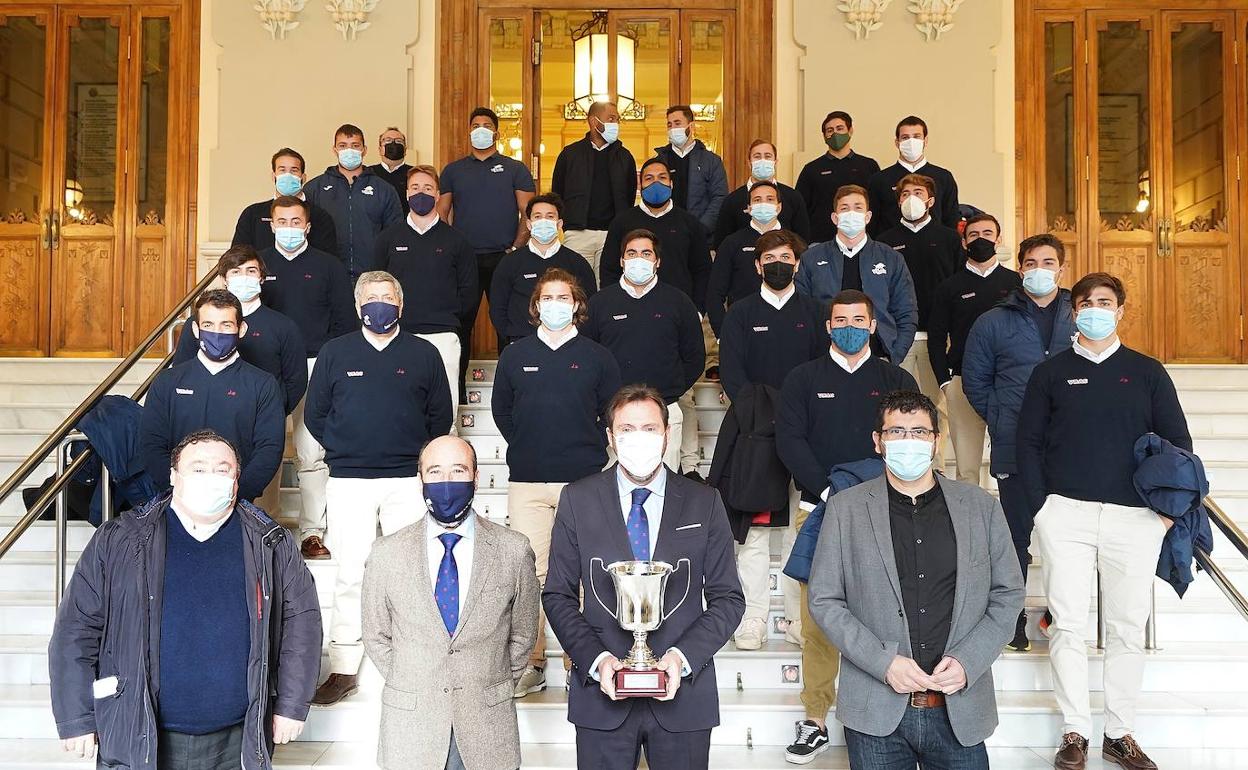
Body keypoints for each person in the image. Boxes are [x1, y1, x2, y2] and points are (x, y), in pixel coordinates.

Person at [49, 429, 321, 770]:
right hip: (140, 732)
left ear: (236, 480)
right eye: (198, 468)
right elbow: (76, 629)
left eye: (222, 469)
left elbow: (302, 624)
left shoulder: (270, 542)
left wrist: (292, 704)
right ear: (174, 476)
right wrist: (76, 716)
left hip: (238, 738)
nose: (211, 477)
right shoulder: (120, 539)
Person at [1017, 272, 1191, 770]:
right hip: (1066, 515)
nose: (1095, 309)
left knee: (1127, 627)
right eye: (1086, 302)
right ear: (1074, 312)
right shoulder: (1050, 373)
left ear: (1121, 310)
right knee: (1068, 626)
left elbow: (1179, 444)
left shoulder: (1147, 372)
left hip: (1135, 518)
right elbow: (1027, 443)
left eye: (1105, 302)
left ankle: (1119, 733)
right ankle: (1074, 730)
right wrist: (1042, 508)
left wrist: (1164, 515)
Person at [807, 391, 1024, 770]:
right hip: (875, 713)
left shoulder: (981, 507)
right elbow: (824, 600)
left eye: (919, 432)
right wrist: (883, 662)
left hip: (960, 709)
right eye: (896, 432)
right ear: (878, 441)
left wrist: (969, 661)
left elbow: (1008, 594)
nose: (908, 441)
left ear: (936, 441)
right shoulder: (845, 509)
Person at [543, 384, 746, 770]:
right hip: (601, 698)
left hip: (684, 697)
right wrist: (597, 660)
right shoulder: (577, 499)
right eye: (627, 429)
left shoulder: (705, 501)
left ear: (667, 434)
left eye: (650, 428)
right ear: (610, 437)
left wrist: (681, 659)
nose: (639, 438)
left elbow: (729, 599)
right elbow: (557, 595)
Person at [775, 289, 918, 763]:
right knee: (818, 618)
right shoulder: (803, 378)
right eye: (841, 320)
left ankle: (890, 713)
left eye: (859, 320)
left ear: (873, 326)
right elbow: (790, 439)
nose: (850, 327)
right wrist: (829, 490)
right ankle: (815, 717)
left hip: (888, 509)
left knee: (888, 613)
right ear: (828, 326)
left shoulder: (895, 378)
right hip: (820, 508)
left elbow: (909, 438)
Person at [305, 270, 454, 705]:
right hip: (349, 481)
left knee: (414, 574)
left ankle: (417, 660)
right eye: (371, 297)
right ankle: (344, 667)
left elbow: (440, 416)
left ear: (401, 305)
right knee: (351, 574)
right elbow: (316, 415)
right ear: (358, 306)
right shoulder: (335, 352)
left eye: (388, 297)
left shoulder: (424, 353)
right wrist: (346, 448)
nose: (380, 304)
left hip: (407, 480)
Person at [362, 435, 541, 770]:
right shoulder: (386, 553)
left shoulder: (513, 550)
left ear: (476, 477)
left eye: (458, 470)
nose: (446, 482)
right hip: (411, 728)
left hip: (487, 726)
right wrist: (415, 679)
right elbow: (376, 635)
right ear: (420, 480)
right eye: (435, 471)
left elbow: (523, 633)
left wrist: (488, 681)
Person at [492, 269, 621, 697]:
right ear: (535, 306)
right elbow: (502, 412)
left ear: (577, 304)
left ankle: (579, 662)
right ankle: (531, 662)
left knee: (583, 574)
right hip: (528, 481)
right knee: (530, 574)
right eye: (547, 297)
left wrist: (587, 446)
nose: (555, 304)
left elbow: (611, 413)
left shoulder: (598, 357)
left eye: (563, 297)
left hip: (583, 481)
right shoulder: (515, 355)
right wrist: (528, 443)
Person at [961, 233, 1076, 651]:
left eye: (1048, 263)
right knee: (1015, 538)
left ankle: (1061, 617)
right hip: (1014, 445)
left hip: (1071, 446)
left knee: (1069, 539)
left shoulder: (1079, 315)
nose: (1039, 270)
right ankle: (1011, 621)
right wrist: (1000, 416)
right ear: (1020, 268)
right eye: (1030, 263)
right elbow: (975, 381)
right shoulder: (993, 321)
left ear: (1061, 269)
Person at [716, 229, 826, 651]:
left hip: (807, 435)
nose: (778, 264)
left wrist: (800, 419)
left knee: (801, 529)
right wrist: (763, 417)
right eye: (770, 258)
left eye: (786, 257)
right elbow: (733, 374)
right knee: (755, 535)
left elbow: (821, 369)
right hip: (755, 436)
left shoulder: (815, 312)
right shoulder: (740, 314)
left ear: (797, 263)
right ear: (757, 265)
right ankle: (753, 619)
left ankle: (799, 620)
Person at [256, 194, 358, 559]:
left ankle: (313, 532)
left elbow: (345, 322)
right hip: (265, 367)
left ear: (307, 226)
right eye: (282, 222)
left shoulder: (328, 267)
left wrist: (333, 366)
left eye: (295, 222)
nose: (289, 228)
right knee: (264, 450)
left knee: (312, 453)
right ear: (272, 225)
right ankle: (264, 527)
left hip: (316, 365)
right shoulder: (258, 266)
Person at [171, 246, 307, 514]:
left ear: (261, 278)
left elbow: (296, 379)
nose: (243, 277)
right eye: (236, 271)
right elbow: (182, 371)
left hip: (262, 431)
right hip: (203, 431)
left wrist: (271, 412)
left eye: (251, 271)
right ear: (224, 278)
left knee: (262, 513)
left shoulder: (283, 326)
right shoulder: (196, 326)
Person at [139, 290, 285, 503]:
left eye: (226, 325)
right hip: (177, 499)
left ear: (241, 329)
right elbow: (151, 444)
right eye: (208, 325)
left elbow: (269, 449)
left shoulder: (263, 385)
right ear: (195, 329)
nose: (217, 333)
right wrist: (177, 489)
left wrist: (236, 494)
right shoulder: (167, 382)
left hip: (238, 501)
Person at [584, 229, 704, 475]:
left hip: (665, 409)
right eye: (632, 253)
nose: (638, 259)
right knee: (612, 490)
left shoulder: (679, 302)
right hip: (614, 412)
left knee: (665, 486)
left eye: (646, 253)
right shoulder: (599, 303)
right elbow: (587, 357)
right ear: (622, 260)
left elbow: (694, 357)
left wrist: (671, 389)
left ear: (657, 261)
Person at [439, 106, 537, 374]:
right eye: (475, 126)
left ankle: (510, 381)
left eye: (487, 125)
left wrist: (515, 248)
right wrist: (452, 247)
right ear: (468, 131)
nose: (480, 130)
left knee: (508, 324)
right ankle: (456, 388)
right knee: (460, 325)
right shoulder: (453, 171)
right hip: (465, 260)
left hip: (504, 258)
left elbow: (528, 212)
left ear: (497, 133)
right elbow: (442, 212)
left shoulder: (515, 169)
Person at [877, 173, 963, 472]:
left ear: (931, 200)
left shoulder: (949, 239)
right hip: (897, 339)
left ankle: (934, 468)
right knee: (892, 405)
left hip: (936, 339)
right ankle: (890, 466)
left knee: (936, 407)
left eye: (918, 192)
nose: (911, 198)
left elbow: (958, 287)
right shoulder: (885, 242)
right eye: (905, 194)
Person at [927, 213, 1020, 485]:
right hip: (963, 382)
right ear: (964, 242)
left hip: (1007, 382)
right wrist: (945, 382)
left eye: (987, 234)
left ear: (998, 239)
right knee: (967, 469)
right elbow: (936, 337)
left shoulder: (1016, 284)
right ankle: (968, 513)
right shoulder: (949, 287)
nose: (981, 239)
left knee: (1012, 463)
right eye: (974, 235)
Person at [378, 164, 478, 400]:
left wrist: (451, 318)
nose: (420, 193)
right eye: (415, 187)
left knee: (445, 400)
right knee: (400, 400)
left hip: (443, 333)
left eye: (427, 188)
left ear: (437, 194)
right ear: (406, 194)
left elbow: (469, 290)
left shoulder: (457, 240)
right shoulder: (387, 239)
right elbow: (376, 283)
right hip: (398, 333)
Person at [795, 184, 917, 365]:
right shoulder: (811, 258)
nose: (851, 213)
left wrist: (894, 355)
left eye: (858, 208)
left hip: (878, 357)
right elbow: (800, 311)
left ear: (868, 217)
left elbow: (907, 312)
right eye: (845, 208)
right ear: (835, 218)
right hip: (822, 358)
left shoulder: (891, 258)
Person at [599, 157, 712, 312]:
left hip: (679, 309)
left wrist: (697, 310)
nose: (656, 183)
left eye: (662, 177)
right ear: (640, 185)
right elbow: (609, 269)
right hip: (629, 309)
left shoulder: (690, 223)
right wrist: (613, 306)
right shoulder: (622, 222)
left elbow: (702, 270)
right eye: (649, 178)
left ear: (671, 184)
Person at [489, 193, 597, 346]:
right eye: (538, 216)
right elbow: (498, 307)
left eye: (550, 216)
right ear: (529, 224)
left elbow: (589, 307)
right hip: (520, 342)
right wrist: (510, 337)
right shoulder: (510, 262)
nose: (543, 221)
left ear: (559, 224)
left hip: (568, 344)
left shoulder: (577, 263)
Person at [304, 123, 404, 280]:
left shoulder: (384, 190)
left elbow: (395, 235)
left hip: (373, 278)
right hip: (327, 276)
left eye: (355, 145)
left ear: (364, 150)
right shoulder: (314, 189)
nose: (349, 150)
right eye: (343, 145)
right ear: (334, 150)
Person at [551, 101, 638, 280]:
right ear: (593, 121)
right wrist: (567, 225)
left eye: (617, 120)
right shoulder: (570, 154)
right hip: (577, 233)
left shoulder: (625, 157)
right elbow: (557, 193)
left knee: (606, 285)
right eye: (611, 119)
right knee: (574, 285)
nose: (616, 124)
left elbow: (629, 194)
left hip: (612, 235)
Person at [706, 180, 785, 339]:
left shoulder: (793, 243)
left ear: (779, 207)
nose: (763, 204)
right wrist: (723, 334)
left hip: (786, 328)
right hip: (743, 330)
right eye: (757, 200)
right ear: (749, 208)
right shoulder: (732, 243)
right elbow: (714, 293)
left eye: (770, 199)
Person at [232, 147, 339, 257]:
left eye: (294, 170)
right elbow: (238, 257)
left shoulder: (320, 216)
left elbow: (328, 261)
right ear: (274, 176)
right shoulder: (252, 214)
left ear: (303, 177)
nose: (288, 175)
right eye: (282, 170)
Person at [795, 111, 881, 245]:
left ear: (850, 131)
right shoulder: (811, 169)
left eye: (839, 128)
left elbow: (877, 205)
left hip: (862, 240)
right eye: (830, 130)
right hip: (820, 241)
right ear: (824, 136)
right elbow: (800, 208)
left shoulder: (869, 166)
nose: (835, 133)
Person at [866, 116, 960, 237]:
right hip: (891, 245)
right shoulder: (879, 180)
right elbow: (872, 223)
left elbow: (951, 219)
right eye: (905, 137)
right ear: (897, 142)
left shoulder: (943, 177)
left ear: (925, 140)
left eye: (916, 136)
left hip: (935, 244)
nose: (911, 142)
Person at [713, 140, 811, 249]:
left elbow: (803, 240)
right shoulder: (732, 200)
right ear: (749, 162)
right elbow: (722, 243)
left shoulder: (793, 197)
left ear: (775, 161)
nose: (763, 161)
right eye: (757, 156)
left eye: (768, 156)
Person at [652, 104, 728, 233]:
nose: (673, 129)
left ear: (691, 126)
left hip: (701, 234)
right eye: (669, 125)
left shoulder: (711, 161)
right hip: (665, 233)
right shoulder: (659, 161)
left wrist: (700, 228)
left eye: (677, 123)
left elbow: (719, 197)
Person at [369, 126, 412, 211]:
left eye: (399, 141)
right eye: (388, 140)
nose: (393, 144)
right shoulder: (368, 173)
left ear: (405, 150)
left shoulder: (415, 174)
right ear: (380, 149)